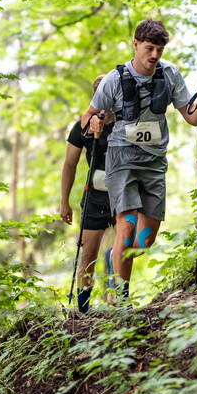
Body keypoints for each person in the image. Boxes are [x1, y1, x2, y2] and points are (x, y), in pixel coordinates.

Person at [82, 19, 197, 300]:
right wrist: (93, 122)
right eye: (149, 48)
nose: (154, 55)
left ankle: (114, 256)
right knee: (126, 228)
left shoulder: (169, 75)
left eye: (160, 50)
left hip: (154, 162)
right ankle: (122, 298)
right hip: (122, 160)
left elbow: (192, 119)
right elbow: (87, 116)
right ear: (136, 44)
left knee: (144, 240)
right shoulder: (114, 79)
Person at [60, 76, 116, 314]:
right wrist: (65, 202)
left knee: (118, 249)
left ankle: (116, 299)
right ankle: (83, 308)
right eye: (98, 94)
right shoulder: (82, 126)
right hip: (94, 196)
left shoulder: (126, 123)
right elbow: (69, 164)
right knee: (89, 253)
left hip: (122, 195)